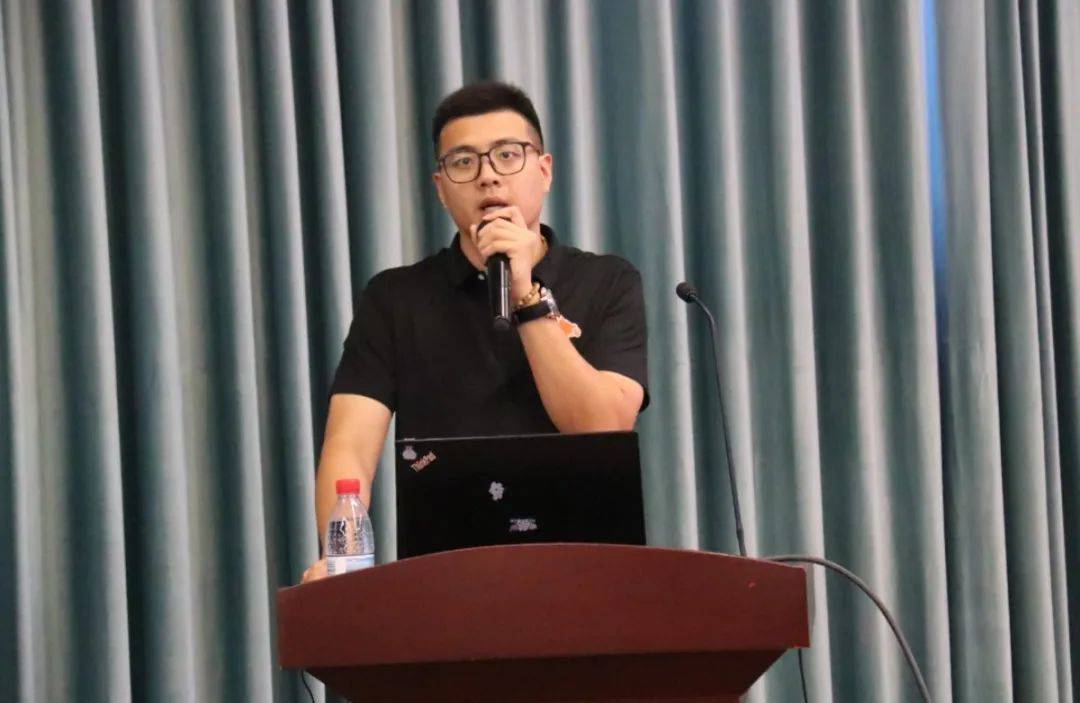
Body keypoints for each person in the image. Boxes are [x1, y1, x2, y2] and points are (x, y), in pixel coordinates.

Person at [301, 81, 649, 583]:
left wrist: (527, 296)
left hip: (587, 572)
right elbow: (350, 445)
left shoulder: (608, 281)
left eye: (507, 155)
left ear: (544, 171)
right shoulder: (395, 298)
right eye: (464, 162)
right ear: (441, 187)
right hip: (444, 578)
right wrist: (341, 558)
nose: (488, 176)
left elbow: (603, 426)